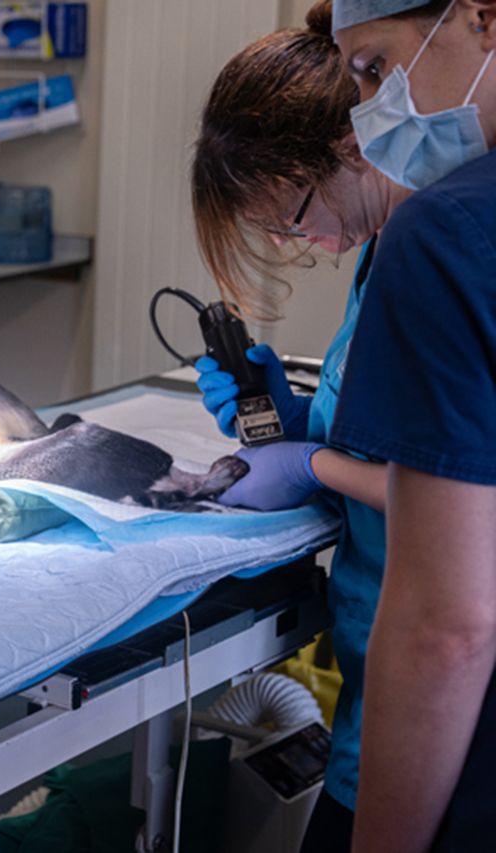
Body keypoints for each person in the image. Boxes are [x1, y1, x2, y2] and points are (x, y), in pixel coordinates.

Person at [189, 4, 410, 849]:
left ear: (349, 149)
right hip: (373, 663)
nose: (305, 241)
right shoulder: (383, 252)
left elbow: (461, 490)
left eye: (296, 213)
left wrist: (314, 464)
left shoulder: (443, 249)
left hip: (430, 688)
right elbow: (395, 424)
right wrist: (296, 422)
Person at [326, 1, 496, 850]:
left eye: (375, 65)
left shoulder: (448, 233)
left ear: (482, 18)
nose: (371, 109)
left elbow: (447, 627)